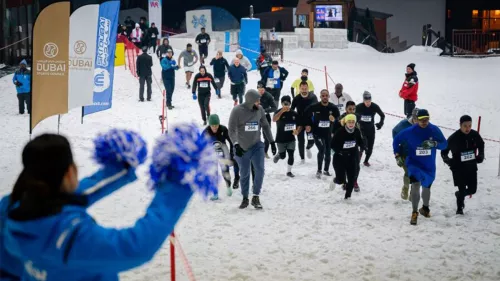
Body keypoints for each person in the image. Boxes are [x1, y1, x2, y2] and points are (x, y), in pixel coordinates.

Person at [2, 128, 209, 281]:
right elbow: (136, 247)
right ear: (69, 173)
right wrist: (178, 185)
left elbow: (71, 196)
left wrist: (119, 169)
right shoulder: (68, 238)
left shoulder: (12, 209)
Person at [393, 109, 447, 225]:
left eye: (426, 120)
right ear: (416, 120)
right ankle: (414, 212)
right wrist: (397, 155)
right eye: (421, 120)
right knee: (416, 184)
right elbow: (396, 140)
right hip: (414, 163)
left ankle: (425, 208)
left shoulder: (434, 130)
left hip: (429, 166)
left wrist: (434, 144)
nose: (424, 122)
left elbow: (445, 144)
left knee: (426, 187)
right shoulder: (410, 131)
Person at [228, 90, 277, 209]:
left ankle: (256, 196)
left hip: (257, 145)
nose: (259, 103)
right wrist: (235, 144)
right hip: (242, 147)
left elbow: (265, 125)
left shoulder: (259, 110)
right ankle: (245, 197)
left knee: (260, 170)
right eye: (257, 100)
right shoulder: (237, 110)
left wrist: (271, 141)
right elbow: (231, 129)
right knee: (244, 173)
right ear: (250, 100)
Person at [441, 115, 485, 215]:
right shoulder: (454, 138)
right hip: (458, 168)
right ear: (460, 125)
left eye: (469, 125)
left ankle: (459, 195)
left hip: (471, 166)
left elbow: (481, 144)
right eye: (465, 126)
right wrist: (448, 161)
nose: (467, 128)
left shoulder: (474, 135)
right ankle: (459, 208)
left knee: (472, 190)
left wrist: (481, 155)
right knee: (461, 188)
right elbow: (444, 152)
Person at [203, 114, 240, 199]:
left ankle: (228, 187)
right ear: (210, 125)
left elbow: (231, 141)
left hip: (223, 153)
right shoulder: (206, 132)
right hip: (211, 155)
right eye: (213, 126)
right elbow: (200, 145)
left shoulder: (223, 129)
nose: (215, 127)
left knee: (225, 171)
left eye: (216, 125)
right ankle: (215, 193)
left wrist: (231, 153)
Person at [305, 89, 340, 179]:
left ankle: (326, 170)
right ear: (320, 97)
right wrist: (308, 124)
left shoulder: (333, 107)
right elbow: (305, 113)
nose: (324, 97)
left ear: (328, 97)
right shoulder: (315, 106)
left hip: (328, 134)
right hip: (317, 133)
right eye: (323, 95)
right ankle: (319, 170)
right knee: (322, 150)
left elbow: (339, 119)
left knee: (328, 152)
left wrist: (334, 120)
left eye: (326, 95)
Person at [331, 114, 366, 199]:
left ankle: (348, 197)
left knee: (352, 179)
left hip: (351, 158)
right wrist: (340, 152)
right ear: (345, 122)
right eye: (349, 122)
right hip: (339, 158)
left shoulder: (357, 131)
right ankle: (335, 180)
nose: (351, 124)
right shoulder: (340, 131)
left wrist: (363, 146)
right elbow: (332, 144)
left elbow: (360, 141)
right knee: (341, 180)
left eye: (353, 122)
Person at [392, 107, 419, 200]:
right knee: (408, 172)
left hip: (417, 154)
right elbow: (394, 132)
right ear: (413, 118)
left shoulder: (423, 125)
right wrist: (398, 150)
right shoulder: (404, 125)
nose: (418, 122)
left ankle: (413, 192)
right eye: (416, 120)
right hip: (405, 153)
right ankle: (406, 187)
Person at [336, 101, 363, 192]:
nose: (352, 111)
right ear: (346, 109)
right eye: (350, 109)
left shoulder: (356, 117)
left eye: (353, 109)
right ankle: (344, 182)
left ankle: (354, 181)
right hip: (343, 147)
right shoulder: (341, 118)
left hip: (354, 146)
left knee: (357, 166)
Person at [272, 95, 300, 177]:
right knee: (283, 156)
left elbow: (299, 124)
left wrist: (297, 130)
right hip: (280, 139)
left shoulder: (294, 113)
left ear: (290, 104)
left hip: (291, 138)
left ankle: (289, 171)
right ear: (281, 104)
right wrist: (282, 112)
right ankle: (279, 155)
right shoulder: (278, 112)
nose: (286, 106)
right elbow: (274, 120)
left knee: (291, 154)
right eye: (284, 104)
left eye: (287, 104)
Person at [356, 91, 385, 167]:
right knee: (363, 145)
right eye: (366, 101)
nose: (368, 103)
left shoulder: (374, 106)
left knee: (370, 147)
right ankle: (357, 161)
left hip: (371, 129)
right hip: (361, 129)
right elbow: (352, 114)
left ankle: (366, 161)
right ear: (363, 100)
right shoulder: (359, 107)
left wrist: (380, 123)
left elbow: (382, 115)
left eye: (369, 101)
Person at [291, 81, 318, 164]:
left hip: (310, 121)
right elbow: (292, 110)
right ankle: (302, 158)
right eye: (302, 89)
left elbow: (317, 109)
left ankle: (308, 148)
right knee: (300, 141)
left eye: (305, 88)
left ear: (308, 88)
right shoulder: (296, 98)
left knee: (311, 140)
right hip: (299, 122)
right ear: (299, 89)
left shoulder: (313, 97)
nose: (304, 90)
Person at [257, 82, 278, 158]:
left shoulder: (268, 96)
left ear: (264, 89)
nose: (261, 92)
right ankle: (258, 151)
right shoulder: (254, 96)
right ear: (257, 90)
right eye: (259, 90)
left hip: (266, 117)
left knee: (267, 135)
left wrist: (265, 111)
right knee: (256, 134)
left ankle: (265, 152)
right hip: (256, 117)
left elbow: (274, 107)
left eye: (262, 90)